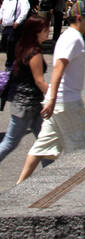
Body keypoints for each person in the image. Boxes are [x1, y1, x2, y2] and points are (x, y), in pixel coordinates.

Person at [17, 0, 85, 183]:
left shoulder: (70, 36)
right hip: (67, 102)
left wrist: (52, 98)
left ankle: (20, 184)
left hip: (59, 100)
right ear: (78, 17)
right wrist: (52, 98)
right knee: (83, 149)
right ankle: (77, 188)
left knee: (42, 146)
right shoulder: (73, 38)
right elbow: (59, 67)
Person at [0, 11, 50, 165]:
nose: (48, 32)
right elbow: (39, 81)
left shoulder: (24, 47)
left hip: (30, 103)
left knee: (44, 141)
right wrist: (55, 96)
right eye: (46, 29)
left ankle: (51, 174)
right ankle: (51, 172)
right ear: (37, 32)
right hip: (26, 105)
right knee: (10, 142)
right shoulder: (34, 53)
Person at [0, 0, 30, 69]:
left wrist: (18, 21)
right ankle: (12, 61)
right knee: (4, 44)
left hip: (15, 26)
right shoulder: (6, 1)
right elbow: (2, 10)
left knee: (11, 43)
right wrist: (1, 18)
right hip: (6, 26)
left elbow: (25, 11)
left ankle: (11, 64)